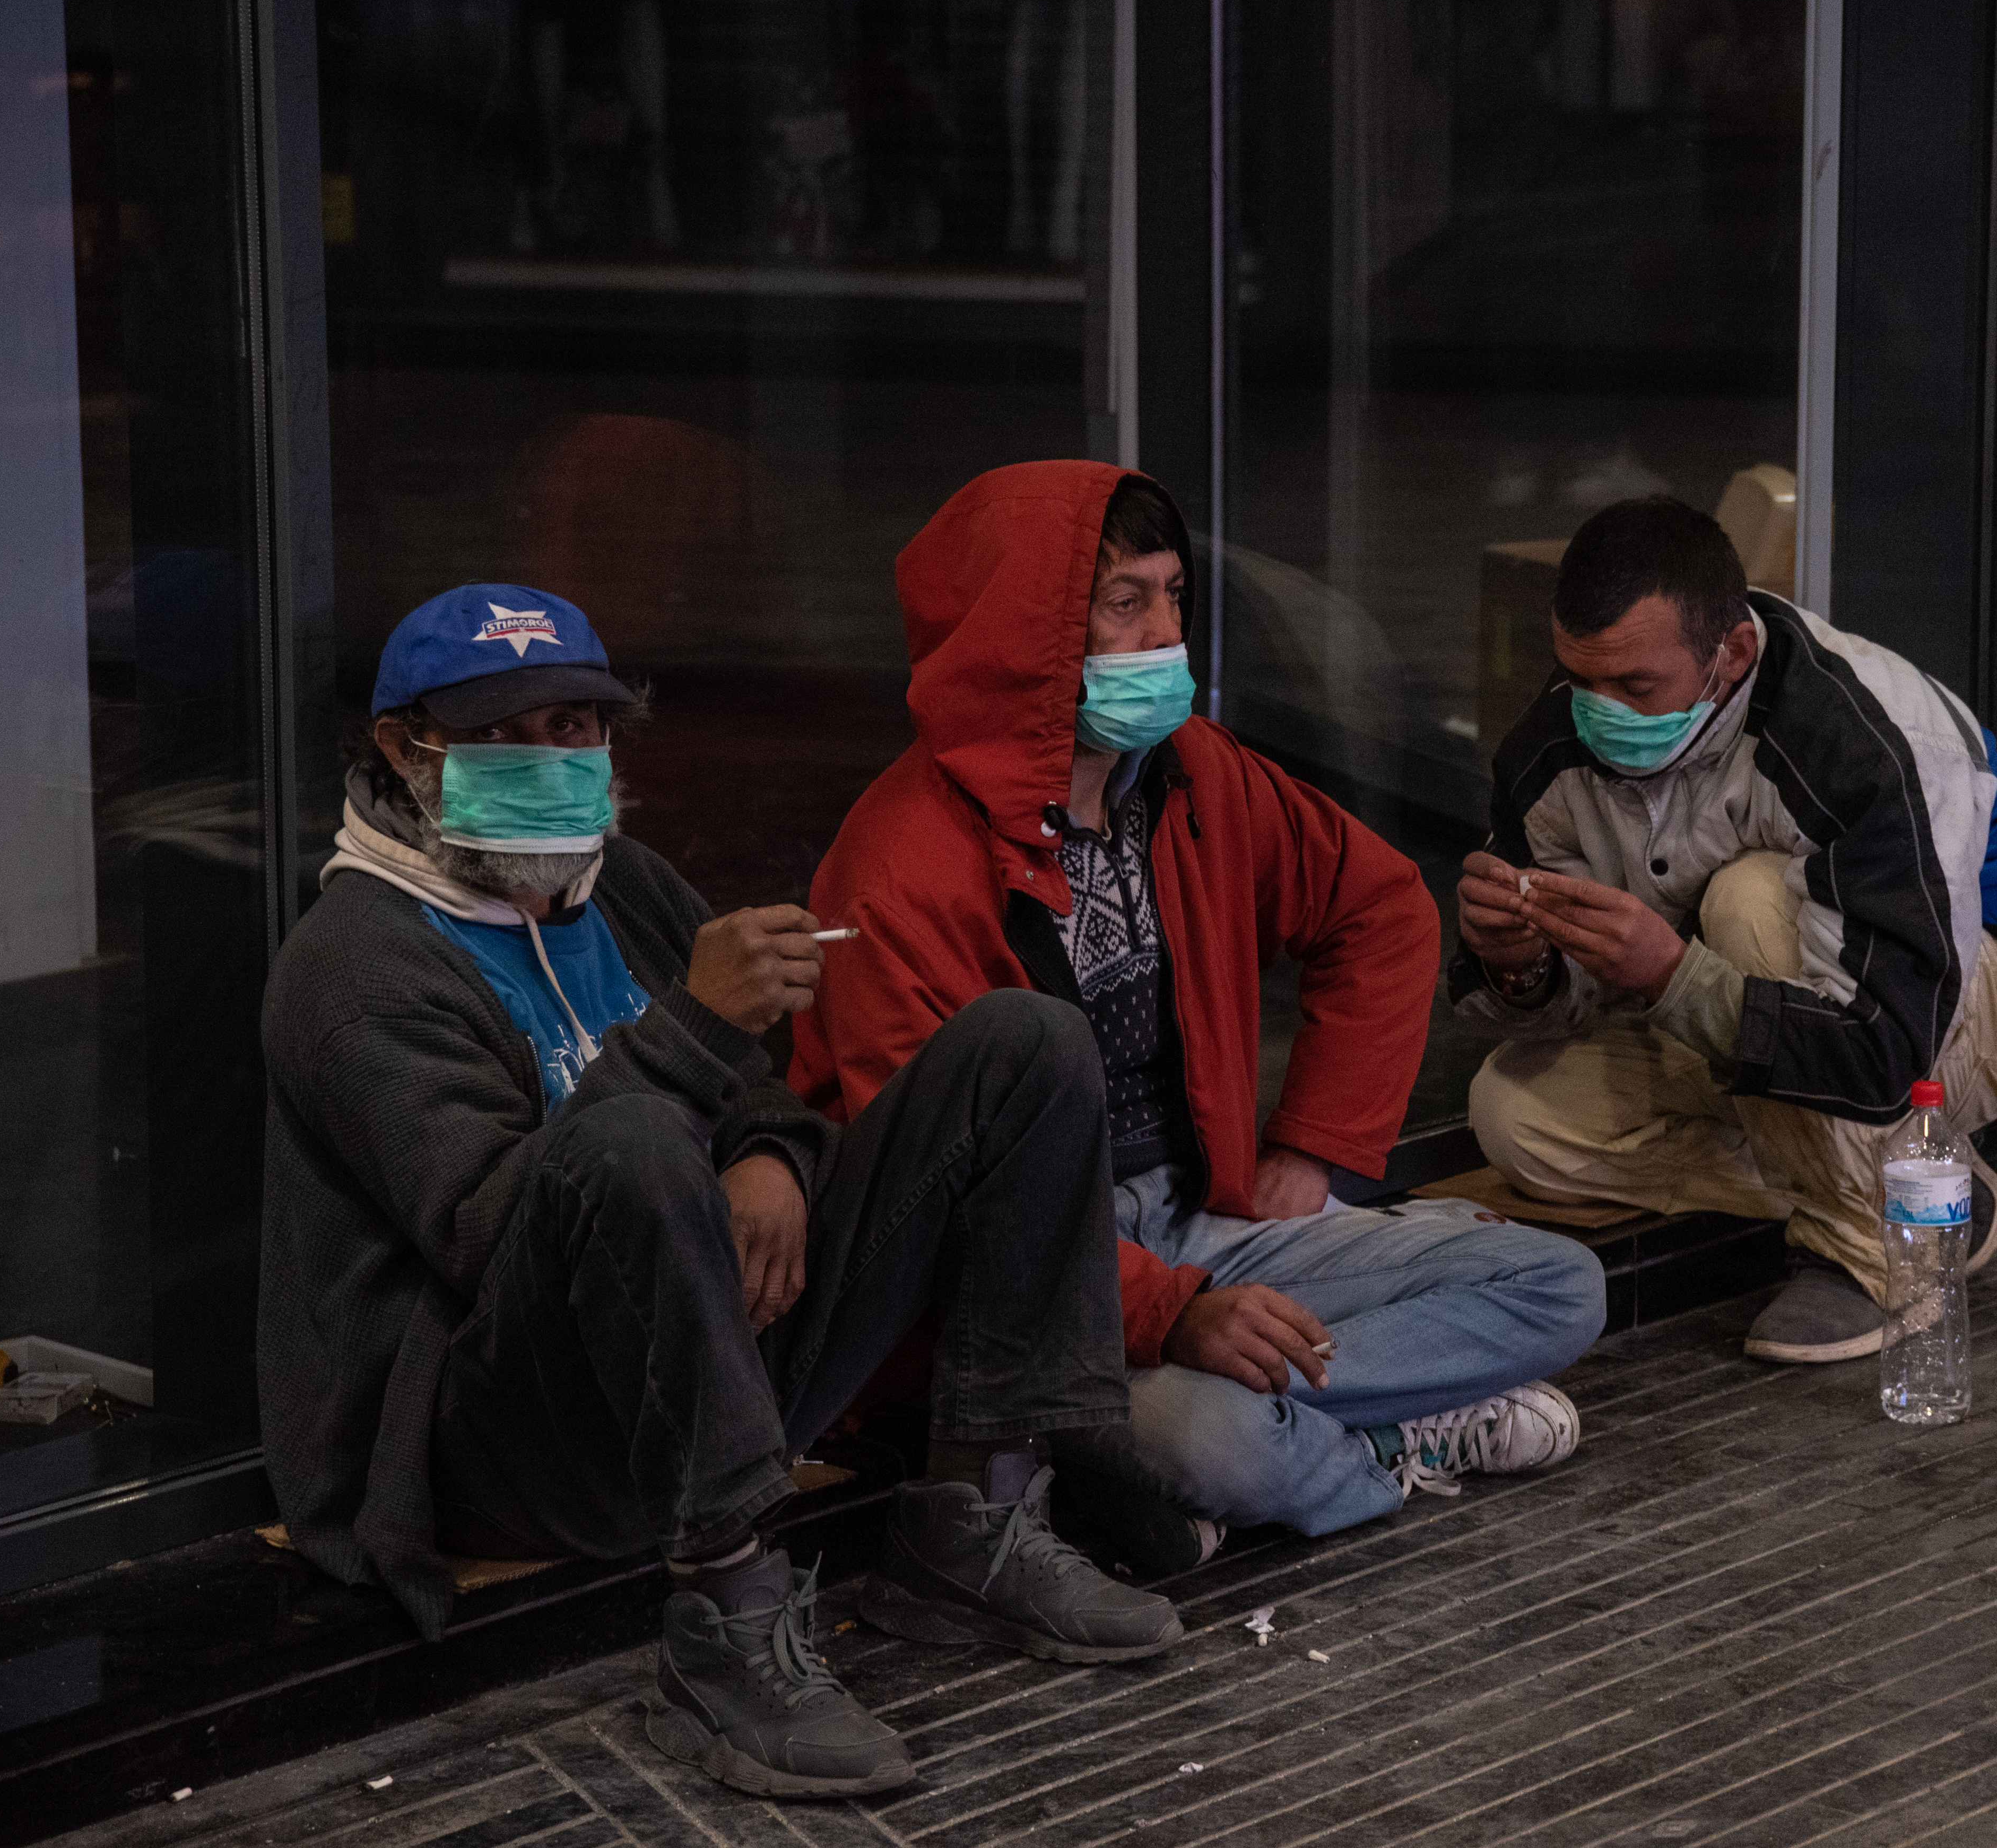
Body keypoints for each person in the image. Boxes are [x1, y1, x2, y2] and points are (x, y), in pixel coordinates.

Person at [258, 584, 1181, 1804]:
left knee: (1027, 1043)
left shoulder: (623, 885)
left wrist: (769, 1160)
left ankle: (975, 1515)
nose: (558, 759)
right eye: (512, 735)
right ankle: (729, 1626)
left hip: (700, 1356)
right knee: (636, 1135)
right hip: (488, 1445)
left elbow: (763, 1104)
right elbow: (490, 1229)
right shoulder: (354, 963)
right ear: (402, 746)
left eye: (578, 729)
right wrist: (693, 1030)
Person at [792, 461, 1607, 1575]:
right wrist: (1168, 1312)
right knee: (1222, 1439)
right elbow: (942, 1210)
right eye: (1126, 602)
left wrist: (1311, 1145)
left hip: (1209, 1220)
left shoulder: (1190, 773)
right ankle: (1384, 1439)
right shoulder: (898, 865)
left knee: (1562, 1283)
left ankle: (1253, 1439)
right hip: (1026, 1297)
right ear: (1024, 632)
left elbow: (1376, 906)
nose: (1166, 634)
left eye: (1176, 595)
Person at [1454, 497, 1997, 1364]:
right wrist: (1519, 964)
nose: (1598, 710)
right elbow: (1566, 999)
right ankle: (1914, 1190)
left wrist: (1671, 976)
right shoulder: (1554, 744)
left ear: (1732, 653)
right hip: (1788, 1015)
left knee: (1749, 899)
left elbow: (1887, 1045)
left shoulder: (1859, 734)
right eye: (1579, 678)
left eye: (1635, 687)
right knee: (1517, 1117)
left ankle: (1874, 1251)